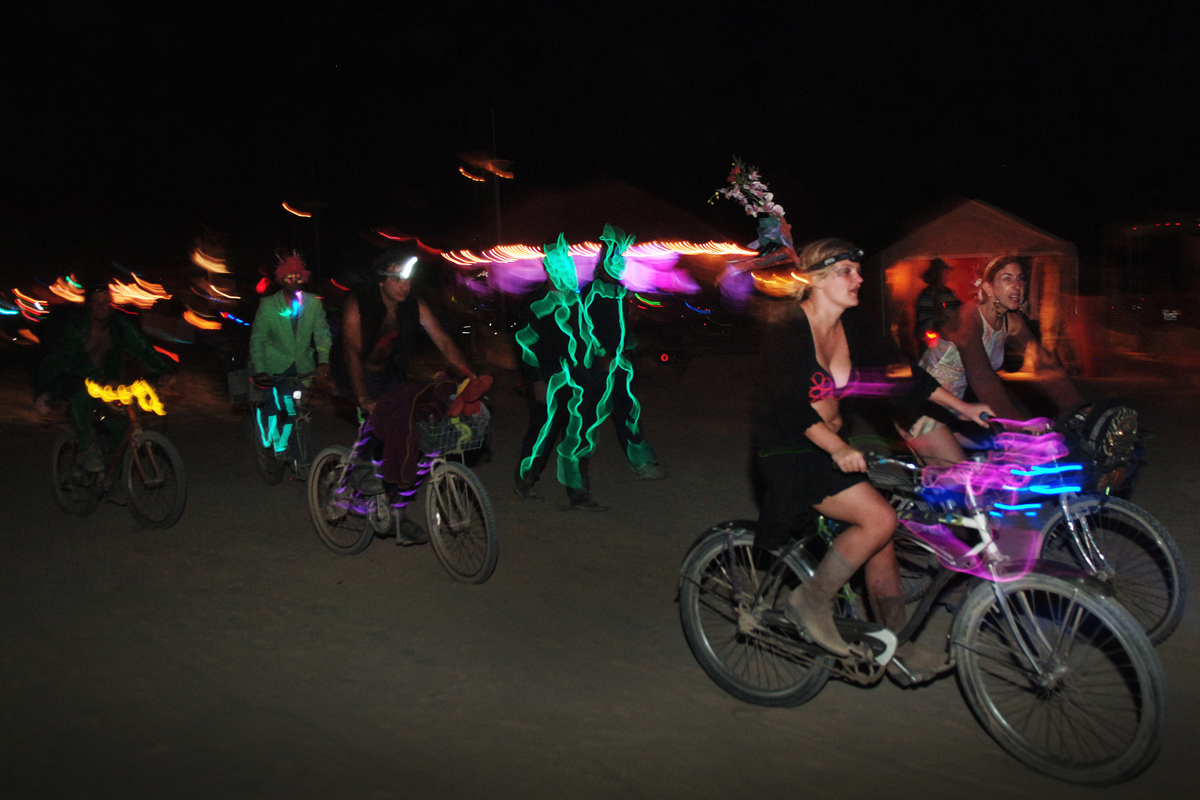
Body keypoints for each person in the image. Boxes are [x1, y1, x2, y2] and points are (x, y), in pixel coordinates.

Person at [752, 239, 992, 684]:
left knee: (881, 533)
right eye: (846, 271)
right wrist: (838, 449)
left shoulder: (852, 325)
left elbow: (902, 374)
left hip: (832, 444)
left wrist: (962, 409)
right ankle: (810, 601)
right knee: (879, 519)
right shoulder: (788, 329)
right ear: (816, 279)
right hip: (790, 448)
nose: (858, 278)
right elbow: (791, 409)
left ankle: (895, 645)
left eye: (857, 270)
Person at [336, 247, 478, 539]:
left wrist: (469, 377)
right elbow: (351, 352)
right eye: (397, 280)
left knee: (412, 429)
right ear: (381, 281)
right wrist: (363, 399)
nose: (405, 286)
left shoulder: (413, 305)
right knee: (377, 422)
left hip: (388, 373)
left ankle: (397, 514)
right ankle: (356, 481)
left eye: (408, 280)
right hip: (354, 374)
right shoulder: (358, 302)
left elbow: (443, 341)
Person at [902, 255, 1084, 467]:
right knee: (963, 480)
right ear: (988, 288)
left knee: (1007, 464)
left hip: (956, 410)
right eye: (1007, 278)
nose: (1017, 286)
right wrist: (1019, 426)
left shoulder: (1011, 321)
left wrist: (1081, 410)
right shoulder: (969, 318)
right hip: (924, 408)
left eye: (1020, 278)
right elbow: (983, 378)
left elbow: (1044, 366)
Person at [35, 281, 176, 472]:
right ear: (88, 305)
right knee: (81, 395)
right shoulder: (75, 325)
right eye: (96, 301)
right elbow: (75, 356)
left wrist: (165, 371)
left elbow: (142, 349)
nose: (102, 306)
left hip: (103, 381)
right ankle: (86, 448)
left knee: (121, 423)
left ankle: (115, 475)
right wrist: (101, 379)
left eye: (106, 301)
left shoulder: (119, 325)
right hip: (67, 376)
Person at [514, 234, 606, 510]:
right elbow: (525, 345)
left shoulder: (574, 301)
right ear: (548, 267)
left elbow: (584, 337)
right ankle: (526, 479)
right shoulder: (535, 303)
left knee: (576, 436)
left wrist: (596, 364)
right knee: (543, 431)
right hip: (548, 379)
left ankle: (578, 494)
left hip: (577, 381)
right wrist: (536, 380)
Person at [579, 224, 664, 480]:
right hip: (599, 366)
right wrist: (601, 354)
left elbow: (621, 327)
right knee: (591, 415)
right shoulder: (592, 291)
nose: (621, 262)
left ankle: (642, 462)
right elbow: (585, 326)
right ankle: (577, 465)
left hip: (619, 363)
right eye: (616, 257)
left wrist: (628, 344)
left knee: (627, 412)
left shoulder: (620, 291)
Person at [248, 252, 332, 456]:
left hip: (302, 366)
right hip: (275, 365)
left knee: (296, 409)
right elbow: (258, 339)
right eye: (289, 277)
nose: (294, 281)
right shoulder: (268, 305)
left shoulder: (312, 303)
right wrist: (260, 369)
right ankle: (267, 425)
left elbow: (322, 333)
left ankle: (297, 457)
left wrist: (323, 361)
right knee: (277, 404)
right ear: (281, 280)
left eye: (298, 277)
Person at [912, 258, 960, 353]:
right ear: (937, 274)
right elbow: (925, 323)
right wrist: (944, 323)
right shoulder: (928, 295)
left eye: (947, 272)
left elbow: (960, 312)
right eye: (944, 272)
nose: (947, 275)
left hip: (949, 344)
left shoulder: (950, 293)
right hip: (934, 346)